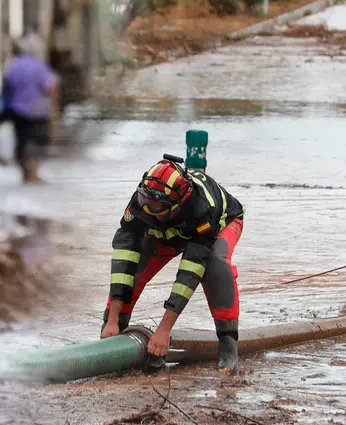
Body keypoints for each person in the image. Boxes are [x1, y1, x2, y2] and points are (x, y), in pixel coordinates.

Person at [100, 155, 246, 371]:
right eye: (146, 204)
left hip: (218, 224)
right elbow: (124, 259)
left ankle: (228, 348)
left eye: (156, 207)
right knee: (135, 270)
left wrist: (164, 330)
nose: (149, 210)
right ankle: (113, 332)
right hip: (168, 230)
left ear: (177, 204)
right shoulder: (141, 204)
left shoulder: (201, 211)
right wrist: (112, 318)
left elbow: (189, 274)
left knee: (215, 266)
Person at [2, 36, 58, 184]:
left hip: (18, 109)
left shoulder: (13, 65)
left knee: (22, 141)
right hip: (39, 110)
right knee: (38, 142)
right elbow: (50, 87)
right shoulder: (39, 66)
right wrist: (53, 108)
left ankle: (25, 175)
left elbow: (7, 87)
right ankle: (34, 174)